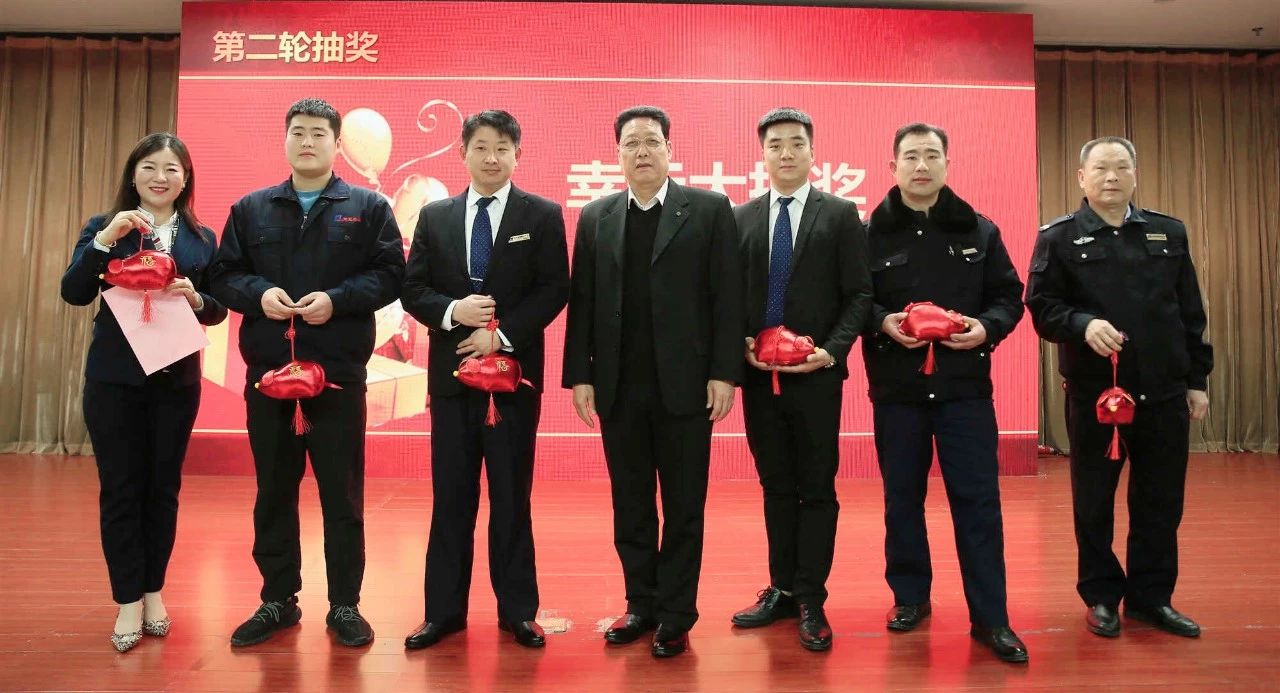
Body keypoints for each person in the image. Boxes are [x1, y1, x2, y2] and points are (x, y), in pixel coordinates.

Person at [209, 97, 405, 648]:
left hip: (337, 375)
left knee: (342, 495)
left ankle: (344, 605)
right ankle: (278, 600)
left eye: (319, 133)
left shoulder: (368, 207)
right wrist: (259, 294)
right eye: (298, 132)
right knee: (273, 491)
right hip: (270, 376)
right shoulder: (251, 209)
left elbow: (392, 274)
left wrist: (337, 300)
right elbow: (224, 275)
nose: (308, 141)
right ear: (285, 139)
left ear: (337, 144)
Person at [562, 106, 743, 658]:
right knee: (631, 502)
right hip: (619, 387)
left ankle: (676, 615)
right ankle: (641, 603)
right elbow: (583, 302)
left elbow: (727, 297)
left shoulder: (708, 210)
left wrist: (724, 372)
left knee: (684, 506)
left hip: (686, 386)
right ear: (617, 153)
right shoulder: (596, 216)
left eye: (652, 141)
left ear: (669, 149)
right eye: (631, 143)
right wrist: (580, 377)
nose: (642, 151)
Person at [1025, 136, 1212, 639]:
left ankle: (1152, 599)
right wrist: (1082, 324)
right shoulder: (1059, 238)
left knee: (1160, 502)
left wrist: (1197, 380)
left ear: (1134, 174)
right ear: (1081, 178)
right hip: (1097, 398)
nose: (1112, 177)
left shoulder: (1168, 232)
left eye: (1121, 167)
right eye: (1101, 168)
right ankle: (1102, 597)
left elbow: (1190, 312)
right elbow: (1041, 308)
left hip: (1164, 393)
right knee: (1093, 502)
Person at [401, 110, 569, 650]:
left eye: (502, 147)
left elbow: (554, 288)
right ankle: (443, 613)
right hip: (452, 382)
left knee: (511, 497)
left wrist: (501, 335)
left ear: (518, 154)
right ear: (462, 153)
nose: (491, 157)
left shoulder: (541, 215)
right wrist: (454, 312)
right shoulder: (435, 216)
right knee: (451, 497)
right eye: (480, 147)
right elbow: (413, 289)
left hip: (513, 382)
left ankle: (518, 612)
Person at [863, 123, 1028, 663]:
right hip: (898, 392)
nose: (921, 166)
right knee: (901, 500)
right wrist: (883, 321)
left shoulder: (980, 230)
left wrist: (986, 327)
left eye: (931, 155)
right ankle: (910, 597)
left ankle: (991, 617)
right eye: (910, 156)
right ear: (892, 167)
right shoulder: (869, 234)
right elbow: (852, 300)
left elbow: (1009, 297)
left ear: (947, 164)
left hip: (965, 393)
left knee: (979, 504)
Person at [61, 132, 228, 652]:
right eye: (150, 167)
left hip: (175, 383)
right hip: (114, 382)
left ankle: (154, 591)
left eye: (172, 169)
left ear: (185, 179)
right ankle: (127, 600)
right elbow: (73, 292)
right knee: (120, 490)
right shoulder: (105, 227)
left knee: (163, 490)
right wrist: (104, 242)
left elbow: (218, 309)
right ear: (133, 175)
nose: (161, 177)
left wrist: (197, 298)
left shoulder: (202, 238)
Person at [729, 108, 871, 651]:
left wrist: (830, 353)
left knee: (816, 487)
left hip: (815, 377)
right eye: (775, 145)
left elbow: (859, 294)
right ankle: (782, 588)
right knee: (775, 484)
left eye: (796, 143)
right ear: (762, 154)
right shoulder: (740, 217)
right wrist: (741, 341)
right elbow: (727, 294)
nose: (786, 153)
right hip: (759, 377)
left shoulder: (839, 214)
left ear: (813, 152)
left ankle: (812, 596)